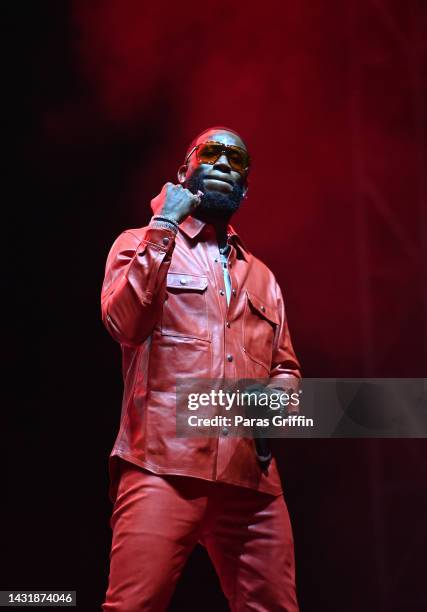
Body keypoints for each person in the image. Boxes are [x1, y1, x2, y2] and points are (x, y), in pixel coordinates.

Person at [101, 126, 302, 611]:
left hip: (252, 486)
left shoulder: (262, 277)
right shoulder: (137, 243)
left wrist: (273, 402)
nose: (225, 165)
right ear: (182, 170)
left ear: (245, 189)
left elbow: (287, 368)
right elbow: (125, 323)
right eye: (211, 153)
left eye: (238, 162)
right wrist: (164, 226)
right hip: (162, 465)